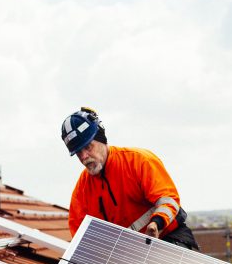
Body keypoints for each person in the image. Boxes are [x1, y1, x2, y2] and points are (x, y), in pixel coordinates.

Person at [61, 107, 199, 250]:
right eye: (78, 153)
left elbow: (168, 199)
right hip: (128, 255)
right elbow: (80, 236)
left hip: (168, 239)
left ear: (101, 138)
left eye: (88, 147)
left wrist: (156, 223)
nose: (84, 157)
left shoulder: (138, 161)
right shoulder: (82, 190)